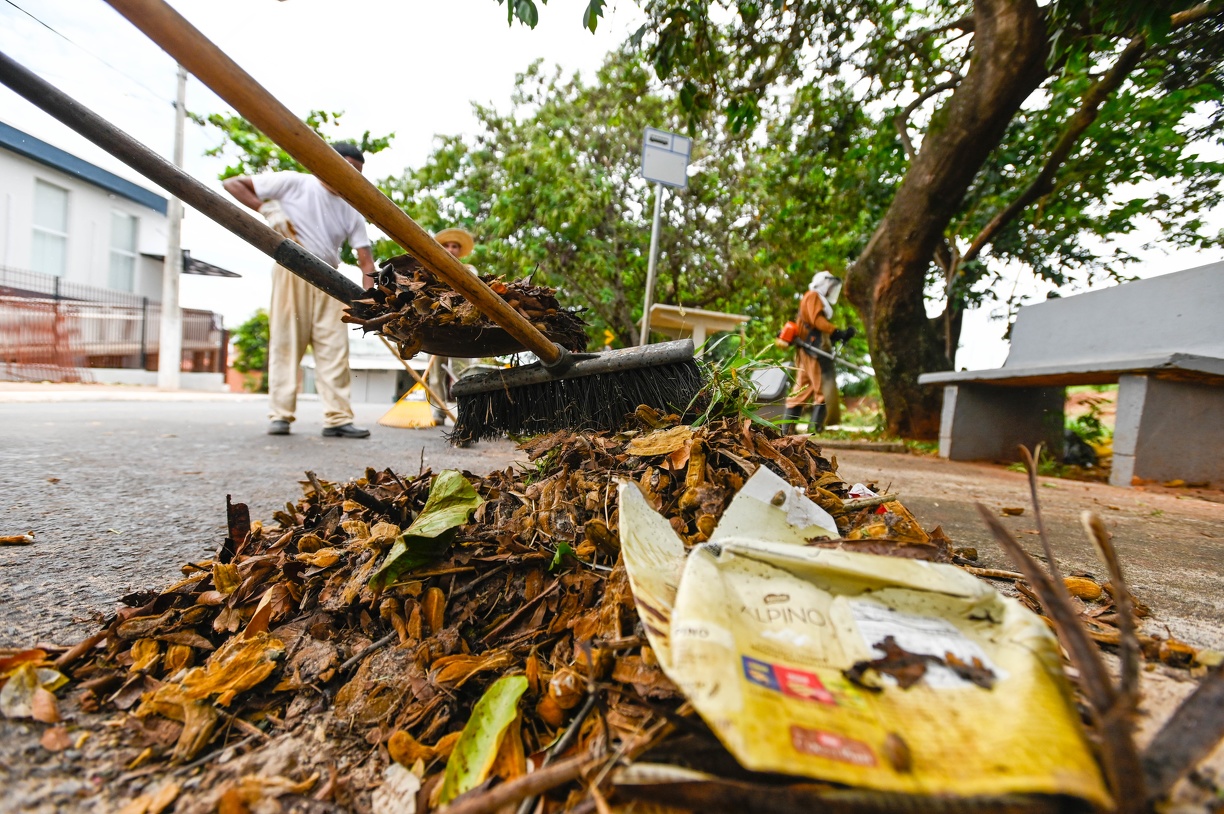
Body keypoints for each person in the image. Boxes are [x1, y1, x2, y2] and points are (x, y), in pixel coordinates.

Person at [223, 141, 377, 438]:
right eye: (349, 169)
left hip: (329, 279)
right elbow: (233, 183)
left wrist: (371, 300)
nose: (352, 178)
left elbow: (366, 260)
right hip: (291, 267)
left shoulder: (351, 208)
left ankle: (338, 418)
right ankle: (280, 415)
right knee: (286, 343)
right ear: (328, 162)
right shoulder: (295, 183)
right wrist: (265, 207)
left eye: (358, 174)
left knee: (334, 349)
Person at [781, 271, 850, 434]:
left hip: (807, 348)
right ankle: (815, 430)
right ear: (822, 283)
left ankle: (786, 431)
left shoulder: (811, 297)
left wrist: (837, 335)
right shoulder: (812, 296)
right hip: (812, 349)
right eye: (830, 286)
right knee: (822, 388)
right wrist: (837, 332)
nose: (831, 289)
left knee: (802, 389)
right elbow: (817, 321)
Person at [427, 226, 477, 425]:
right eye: (446, 245)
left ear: (459, 250)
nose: (450, 249)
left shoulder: (469, 270)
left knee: (460, 372)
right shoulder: (431, 272)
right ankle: (438, 412)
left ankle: (464, 413)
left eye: (455, 246)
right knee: (436, 373)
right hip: (437, 327)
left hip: (461, 328)